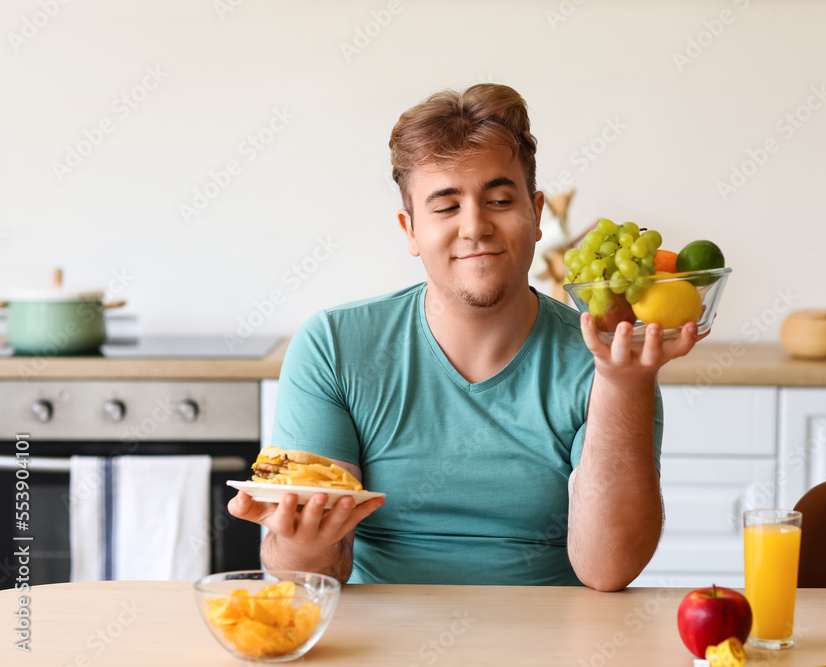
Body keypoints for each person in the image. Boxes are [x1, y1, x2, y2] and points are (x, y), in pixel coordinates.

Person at [228, 83, 706, 591]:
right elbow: (317, 577)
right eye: (446, 206)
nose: (475, 226)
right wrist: (299, 541)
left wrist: (621, 383)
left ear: (536, 214)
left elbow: (608, 570)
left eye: (499, 199)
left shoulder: (609, 355)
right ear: (410, 229)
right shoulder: (334, 346)